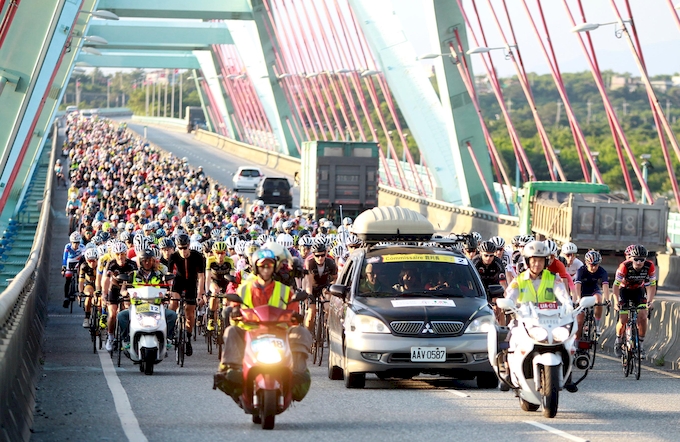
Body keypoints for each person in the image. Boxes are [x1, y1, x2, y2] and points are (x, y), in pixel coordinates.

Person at [214, 249, 312, 402]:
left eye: (269, 266)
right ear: (256, 268)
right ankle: (230, 369)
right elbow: (235, 309)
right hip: (250, 334)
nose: (266, 269)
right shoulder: (244, 289)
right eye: (262, 266)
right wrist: (234, 312)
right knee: (231, 331)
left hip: (279, 333)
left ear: (274, 268)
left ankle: (298, 371)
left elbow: (294, 313)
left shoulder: (284, 290)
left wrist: (295, 316)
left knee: (301, 332)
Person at [503, 240, 577, 392]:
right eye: (534, 260)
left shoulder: (553, 278)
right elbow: (509, 296)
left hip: (551, 320)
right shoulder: (519, 280)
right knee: (509, 342)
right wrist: (508, 304)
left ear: (546, 261)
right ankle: (508, 373)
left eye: (541, 260)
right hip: (524, 320)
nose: (537, 264)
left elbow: (563, 296)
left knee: (569, 342)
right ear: (527, 261)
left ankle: (568, 376)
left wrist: (569, 306)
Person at [117, 248, 177, 350]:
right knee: (121, 316)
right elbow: (123, 289)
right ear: (140, 261)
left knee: (172, 315)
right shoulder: (132, 275)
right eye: (145, 260)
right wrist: (125, 293)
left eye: (150, 260)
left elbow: (167, 289)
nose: (148, 262)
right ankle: (127, 339)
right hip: (137, 308)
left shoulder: (159, 275)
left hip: (156, 308)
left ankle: (167, 338)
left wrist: (168, 293)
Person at [613, 244, 656, 360]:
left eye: (641, 259)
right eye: (635, 259)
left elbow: (652, 285)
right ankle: (618, 340)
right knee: (623, 319)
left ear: (645, 259)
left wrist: (650, 301)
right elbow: (615, 286)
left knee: (642, 315)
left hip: (638, 290)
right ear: (631, 258)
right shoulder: (624, 266)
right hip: (624, 291)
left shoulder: (649, 266)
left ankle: (640, 345)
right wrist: (616, 302)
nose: (638, 262)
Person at [167, 233, 206, 356]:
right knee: (173, 304)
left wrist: (200, 294)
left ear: (189, 245)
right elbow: (169, 275)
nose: (183, 250)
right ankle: (170, 331)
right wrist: (169, 290)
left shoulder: (197, 256)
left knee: (190, 313)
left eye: (185, 247)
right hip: (178, 282)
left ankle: (188, 338)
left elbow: (201, 277)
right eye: (180, 248)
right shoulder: (173, 256)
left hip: (191, 284)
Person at [102, 241, 138, 352]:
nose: (120, 257)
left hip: (127, 288)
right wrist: (104, 294)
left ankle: (127, 335)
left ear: (125, 254)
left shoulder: (132, 264)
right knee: (112, 314)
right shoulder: (111, 264)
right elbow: (106, 280)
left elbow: (136, 280)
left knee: (128, 310)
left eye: (122, 254)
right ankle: (110, 337)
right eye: (117, 254)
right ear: (114, 254)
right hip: (114, 288)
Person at [574, 250, 609, 339]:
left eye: (596, 265)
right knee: (580, 320)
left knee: (599, 300)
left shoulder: (602, 271)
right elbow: (577, 285)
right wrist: (578, 298)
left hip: (593, 290)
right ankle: (576, 342)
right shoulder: (581, 270)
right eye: (591, 265)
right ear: (586, 263)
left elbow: (605, 285)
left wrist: (608, 300)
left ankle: (597, 325)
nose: (593, 267)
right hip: (581, 291)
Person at [303, 243, 337, 332]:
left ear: (326, 253)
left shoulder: (331, 263)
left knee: (328, 308)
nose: (320, 258)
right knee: (311, 314)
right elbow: (308, 282)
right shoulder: (310, 264)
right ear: (313, 255)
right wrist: (309, 295)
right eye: (317, 256)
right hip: (313, 287)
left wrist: (330, 289)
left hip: (325, 287)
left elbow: (335, 279)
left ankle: (326, 328)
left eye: (322, 255)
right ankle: (307, 335)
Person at [472, 241, 508, 324]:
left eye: (491, 256)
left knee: (499, 307)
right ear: (480, 253)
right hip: (479, 286)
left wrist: (506, 298)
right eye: (486, 255)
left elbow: (503, 282)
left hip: (494, 286)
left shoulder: (498, 262)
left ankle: (502, 329)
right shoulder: (475, 262)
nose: (488, 258)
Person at [62, 232, 85, 308]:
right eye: (74, 243)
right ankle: (66, 297)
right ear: (71, 242)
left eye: (77, 243)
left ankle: (80, 293)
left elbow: (84, 258)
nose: (75, 245)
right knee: (68, 279)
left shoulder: (82, 247)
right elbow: (65, 258)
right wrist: (64, 267)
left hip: (78, 263)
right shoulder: (67, 247)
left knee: (80, 278)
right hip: (70, 263)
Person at [78, 248, 99, 328]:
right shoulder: (84, 266)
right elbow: (81, 281)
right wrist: (80, 292)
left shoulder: (101, 265)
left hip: (99, 284)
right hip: (89, 284)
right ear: (86, 260)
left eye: (94, 260)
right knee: (89, 295)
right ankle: (86, 317)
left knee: (99, 300)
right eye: (89, 261)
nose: (92, 263)